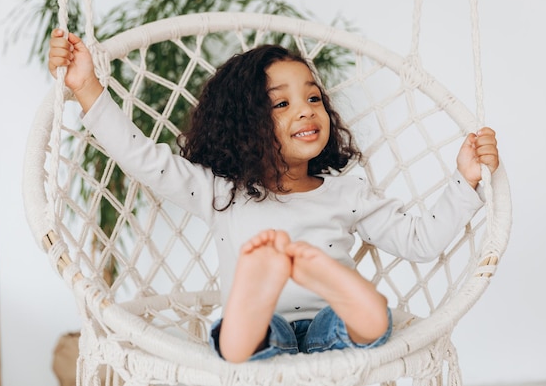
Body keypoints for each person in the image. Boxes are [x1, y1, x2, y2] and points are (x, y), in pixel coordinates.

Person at [48, 28, 499, 363]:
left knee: (369, 322)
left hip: (332, 328)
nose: (306, 109)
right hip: (264, 331)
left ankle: (327, 278)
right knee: (242, 341)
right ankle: (255, 292)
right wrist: (86, 87)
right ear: (244, 126)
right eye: (281, 103)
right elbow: (144, 158)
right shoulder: (220, 192)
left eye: (314, 98)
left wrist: (467, 179)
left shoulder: (347, 190)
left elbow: (418, 240)